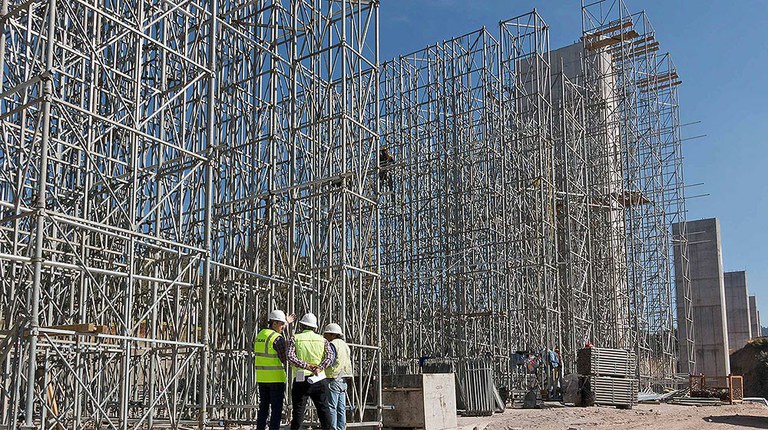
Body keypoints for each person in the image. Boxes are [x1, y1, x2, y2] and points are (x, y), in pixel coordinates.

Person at [287, 313, 335, 430]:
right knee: (324, 410)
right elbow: (330, 357)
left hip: (301, 379)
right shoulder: (322, 340)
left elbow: (290, 356)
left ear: (302, 326)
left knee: (298, 411)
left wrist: (307, 366)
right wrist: (319, 367)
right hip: (319, 378)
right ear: (315, 327)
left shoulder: (295, 338)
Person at [254, 309, 296, 430]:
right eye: (282, 324)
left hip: (262, 378)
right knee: (276, 409)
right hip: (276, 379)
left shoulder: (260, 334)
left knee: (263, 408)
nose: (283, 327)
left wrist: (286, 322)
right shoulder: (277, 338)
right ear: (274, 323)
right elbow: (284, 358)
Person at [323, 323, 352, 430]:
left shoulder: (333, 344)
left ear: (332, 335)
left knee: (331, 407)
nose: (324, 337)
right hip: (343, 379)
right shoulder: (345, 345)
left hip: (333, 378)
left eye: (326, 334)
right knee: (341, 408)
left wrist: (320, 367)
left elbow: (330, 360)